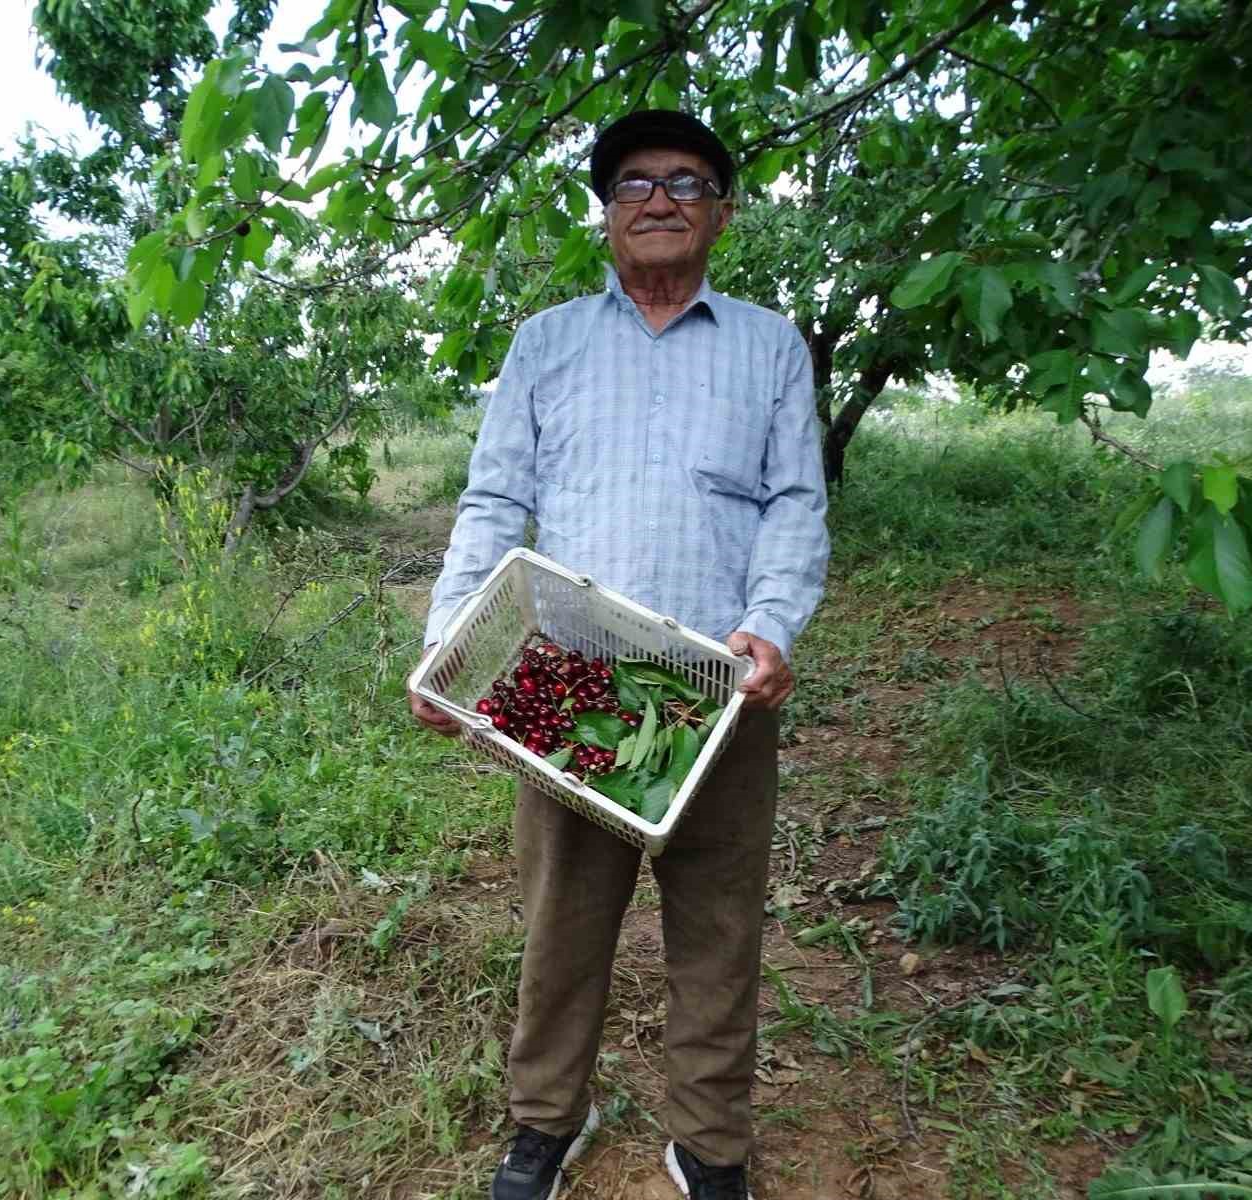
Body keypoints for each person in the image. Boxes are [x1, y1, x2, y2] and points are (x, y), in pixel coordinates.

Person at [408, 110, 830, 1200]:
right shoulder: (546, 343)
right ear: (605, 212)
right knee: (563, 923)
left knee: (719, 932)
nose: (657, 199)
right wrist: (448, 642)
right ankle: (547, 1118)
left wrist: (772, 626)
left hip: (720, 683)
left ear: (720, 215)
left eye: (685, 183)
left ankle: (709, 1143)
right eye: (634, 182)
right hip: (570, 672)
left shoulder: (768, 346)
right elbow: (495, 500)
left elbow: (794, 504)